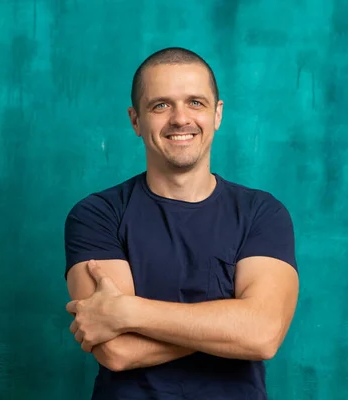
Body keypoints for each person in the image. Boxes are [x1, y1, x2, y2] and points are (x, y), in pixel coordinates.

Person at [63, 47, 299, 400]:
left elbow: (263, 334)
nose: (180, 119)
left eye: (196, 103)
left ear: (217, 114)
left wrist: (129, 311)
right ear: (135, 120)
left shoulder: (261, 213)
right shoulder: (97, 215)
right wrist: (232, 322)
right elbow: (118, 351)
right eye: (161, 105)